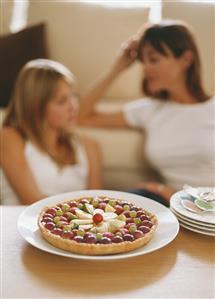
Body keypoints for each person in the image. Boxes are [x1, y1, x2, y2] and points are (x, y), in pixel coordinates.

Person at [78, 19, 215, 206]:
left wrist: (183, 196)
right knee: (118, 207)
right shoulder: (150, 110)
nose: (146, 68)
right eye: (143, 61)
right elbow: (82, 116)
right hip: (174, 205)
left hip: (207, 208)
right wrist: (117, 68)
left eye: (154, 59)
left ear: (186, 59)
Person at [0, 59, 102, 205]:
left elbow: (96, 206)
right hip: (16, 225)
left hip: (70, 227)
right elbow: (30, 200)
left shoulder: (89, 146)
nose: (73, 106)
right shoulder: (10, 138)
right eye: (62, 101)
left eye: (74, 96)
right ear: (36, 106)